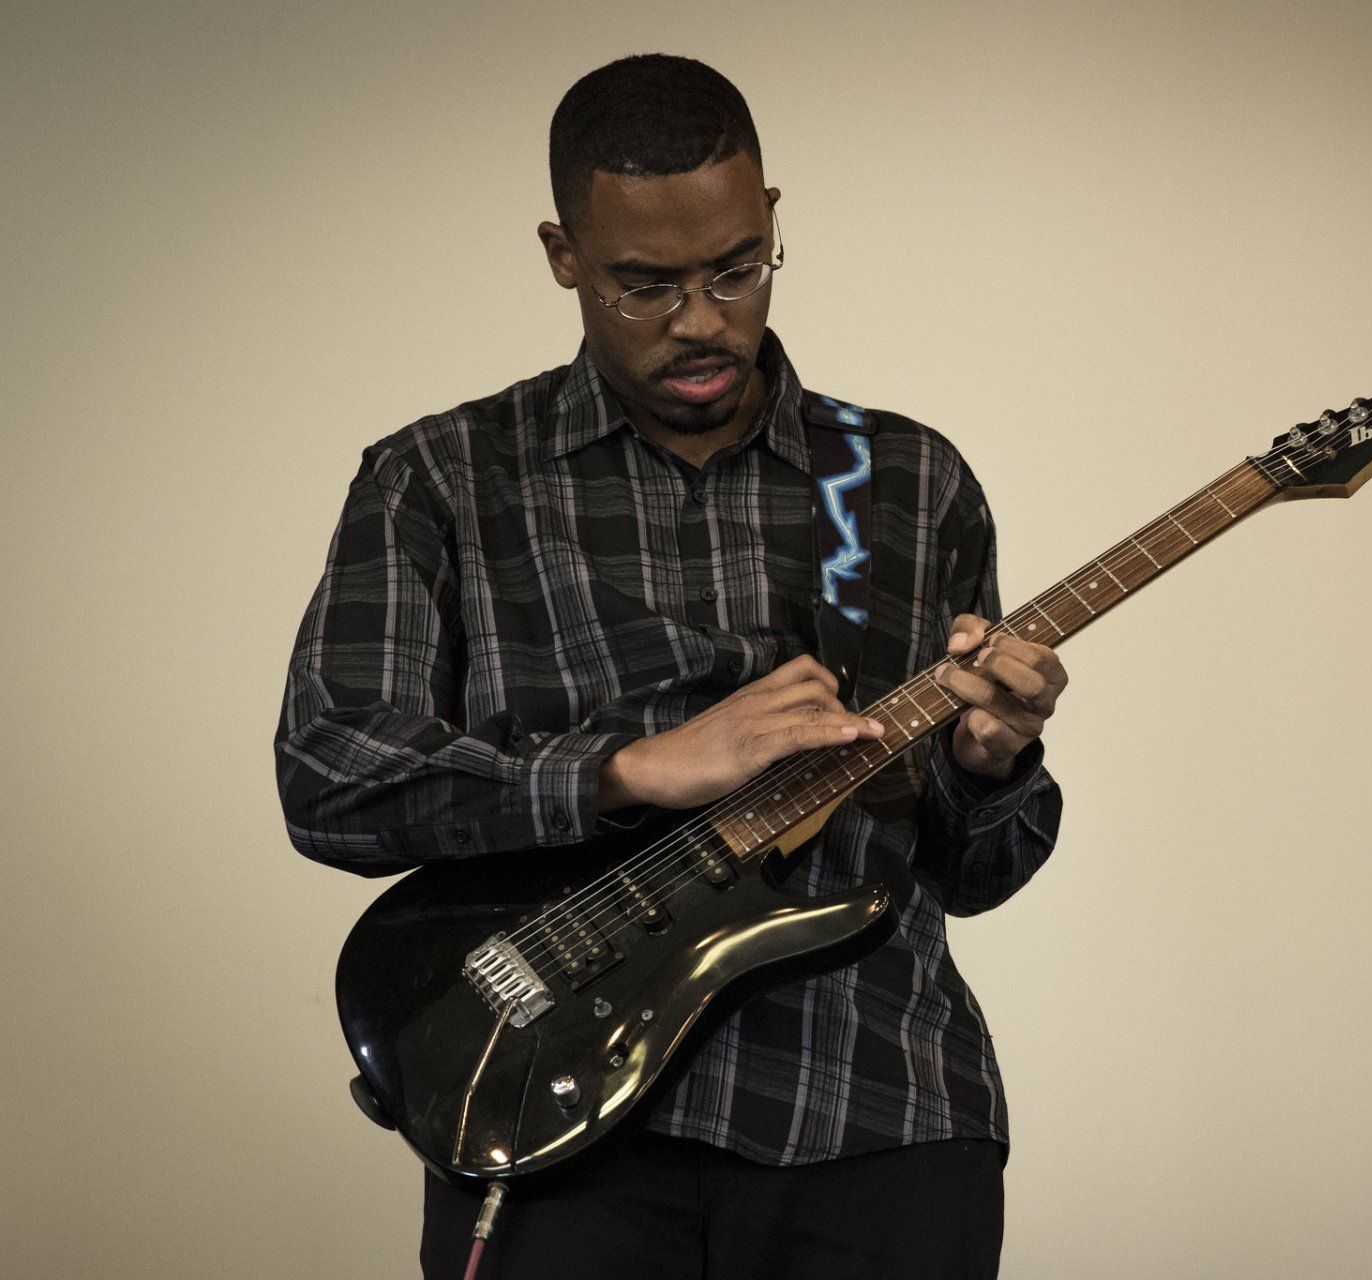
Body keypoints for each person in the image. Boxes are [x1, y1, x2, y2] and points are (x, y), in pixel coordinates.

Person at [274, 53, 1066, 1279]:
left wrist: (992, 757)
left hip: (879, 1105)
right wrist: (638, 767)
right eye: (646, 283)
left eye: (735, 269)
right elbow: (330, 773)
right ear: (563, 253)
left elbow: (975, 870)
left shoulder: (907, 480)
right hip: (561, 1119)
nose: (701, 318)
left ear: (771, 226)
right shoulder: (441, 479)